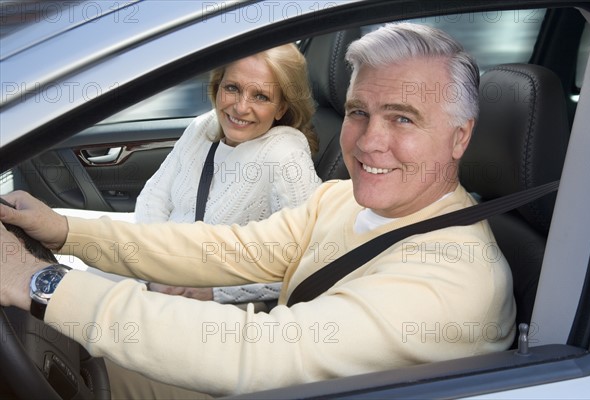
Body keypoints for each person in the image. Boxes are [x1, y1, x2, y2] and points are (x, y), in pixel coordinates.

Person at [0, 23, 515, 398]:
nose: (369, 141)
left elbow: (260, 353)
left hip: (266, 374)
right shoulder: (341, 198)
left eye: (403, 119)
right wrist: (64, 231)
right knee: (72, 360)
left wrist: (42, 285)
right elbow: (222, 248)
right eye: (360, 112)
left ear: (459, 137)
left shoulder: (454, 279)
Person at [134, 43, 321, 305]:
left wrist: (213, 291)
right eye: (233, 88)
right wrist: (157, 268)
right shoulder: (203, 127)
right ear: (217, 86)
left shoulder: (286, 155)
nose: (241, 108)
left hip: (214, 310)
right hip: (160, 277)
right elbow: (153, 197)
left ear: (281, 108)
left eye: (261, 96)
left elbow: (310, 261)